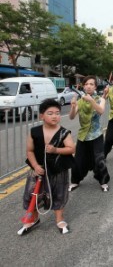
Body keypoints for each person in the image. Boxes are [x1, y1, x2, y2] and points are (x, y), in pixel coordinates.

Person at [18, 99, 75, 235]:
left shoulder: (64, 132)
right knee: (33, 195)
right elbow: (29, 151)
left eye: (57, 113)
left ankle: (59, 219)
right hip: (37, 170)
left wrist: (56, 150)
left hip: (58, 170)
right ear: (41, 116)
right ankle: (33, 219)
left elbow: (71, 149)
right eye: (50, 113)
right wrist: (35, 166)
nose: (55, 116)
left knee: (58, 194)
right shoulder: (34, 131)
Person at [68, 76, 111, 192]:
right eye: (86, 84)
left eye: (92, 84)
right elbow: (71, 117)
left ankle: (103, 181)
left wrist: (92, 101)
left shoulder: (100, 99)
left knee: (99, 159)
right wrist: (72, 107)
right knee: (78, 160)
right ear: (83, 86)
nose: (89, 86)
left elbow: (101, 111)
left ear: (95, 87)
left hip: (96, 135)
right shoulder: (80, 101)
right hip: (83, 135)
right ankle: (75, 181)